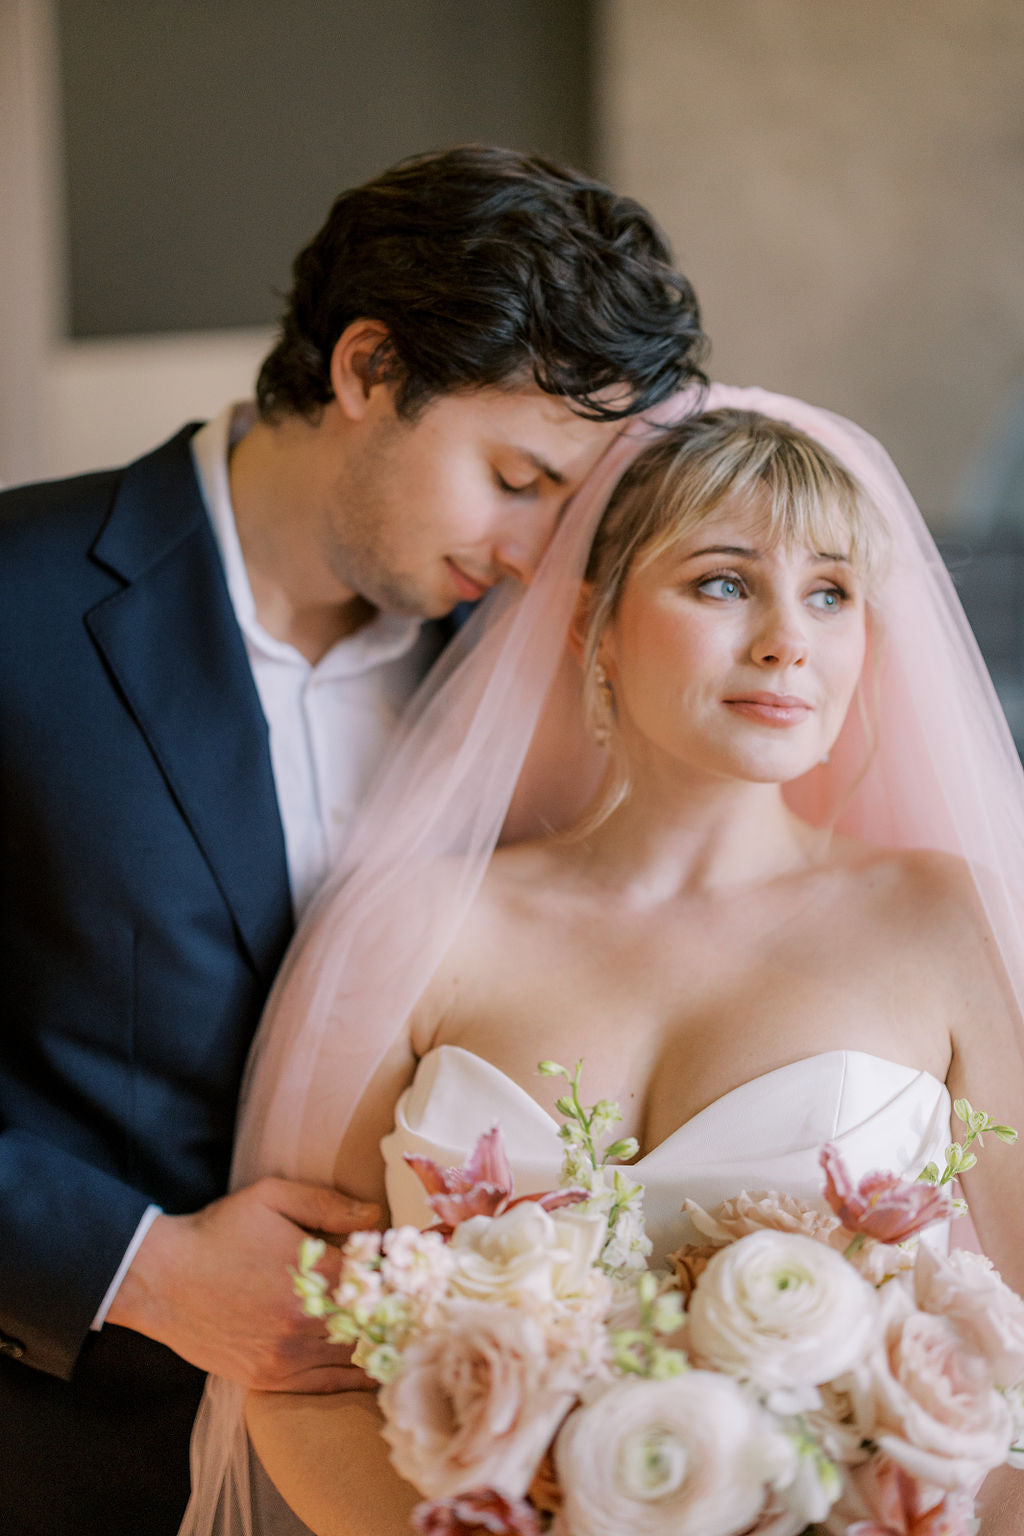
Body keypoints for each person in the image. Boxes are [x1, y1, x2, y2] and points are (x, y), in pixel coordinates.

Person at [0, 145, 707, 1536]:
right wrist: (138, 1265)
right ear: (369, 367)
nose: (533, 556)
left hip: (441, 1476)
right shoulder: (14, 602)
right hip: (71, 1461)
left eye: (573, 515)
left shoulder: (538, 675)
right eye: (517, 477)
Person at [189, 390, 1024, 1535]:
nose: (787, 636)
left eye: (830, 593)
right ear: (592, 626)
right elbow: (290, 1354)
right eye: (724, 581)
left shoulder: (947, 920)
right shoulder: (416, 923)